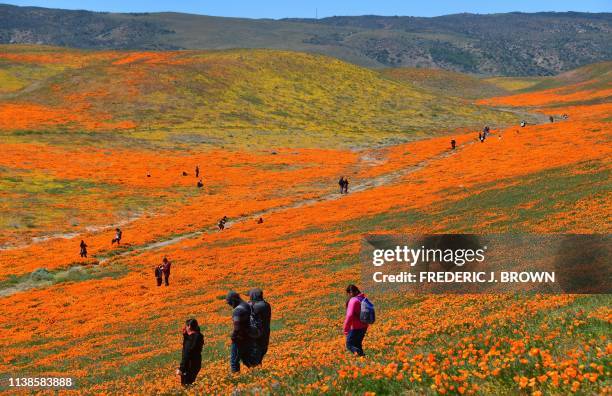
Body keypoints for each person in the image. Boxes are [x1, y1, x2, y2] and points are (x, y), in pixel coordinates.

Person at [226, 291, 256, 373]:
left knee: (234, 361)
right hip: (248, 336)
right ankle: (257, 374)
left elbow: (237, 327)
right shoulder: (246, 305)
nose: (230, 305)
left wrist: (233, 336)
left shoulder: (238, 310)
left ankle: (236, 379)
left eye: (229, 303)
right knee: (247, 359)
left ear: (233, 300)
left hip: (240, 339)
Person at [177, 318, 204, 386]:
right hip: (197, 363)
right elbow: (194, 338)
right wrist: (186, 335)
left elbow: (186, 354)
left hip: (189, 365)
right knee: (191, 384)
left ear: (189, 326)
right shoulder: (199, 336)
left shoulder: (190, 340)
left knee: (186, 386)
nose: (185, 327)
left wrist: (181, 369)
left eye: (186, 326)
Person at [343, 284, 368, 356]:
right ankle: (363, 359)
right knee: (358, 344)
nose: (349, 295)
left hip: (355, 327)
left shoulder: (353, 300)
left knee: (349, 345)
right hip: (364, 326)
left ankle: (361, 355)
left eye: (350, 293)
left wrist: (346, 329)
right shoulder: (363, 298)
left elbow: (349, 315)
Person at [248, 288, 272, 364]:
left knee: (255, 358)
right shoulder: (266, 305)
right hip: (265, 334)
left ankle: (255, 373)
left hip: (256, 336)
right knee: (259, 357)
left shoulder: (255, 306)